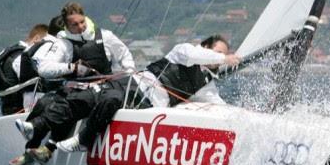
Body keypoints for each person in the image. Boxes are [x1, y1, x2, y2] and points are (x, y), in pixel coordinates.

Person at [57, 34, 240, 153]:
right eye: (216, 53)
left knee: (111, 100)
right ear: (205, 48)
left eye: (222, 55)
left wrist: (242, 120)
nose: (218, 59)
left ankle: (81, 139)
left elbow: (218, 105)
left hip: (149, 106)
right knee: (98, 96)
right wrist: (225, 58)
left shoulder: (205, 85)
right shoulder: (185, 50)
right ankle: (70, 134)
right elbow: (194, 56)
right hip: (135, 84)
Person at [8, 2, 135, 165]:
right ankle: (31, 149)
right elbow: (44, 68)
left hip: (103, 87)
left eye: (82, 22)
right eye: (74, 25)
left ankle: (48, 147)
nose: (80, 27)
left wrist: (128, 72)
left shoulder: (105, 36)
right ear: (67, 26)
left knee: (74, 102)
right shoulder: (64, 43)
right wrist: (72, 67)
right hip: (76, 86)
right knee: (45, 102)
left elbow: (124, 55)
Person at [12, 15, 65, 112]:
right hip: (43, 98)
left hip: (29, 98)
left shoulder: (32, 48)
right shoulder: (56, 46)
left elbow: (17, 66)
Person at [0, 24, 49, 115]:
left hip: (7, 110)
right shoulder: (23, 58)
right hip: (22, 111)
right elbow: (32, 85)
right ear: (36, 39)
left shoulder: (5, 53)